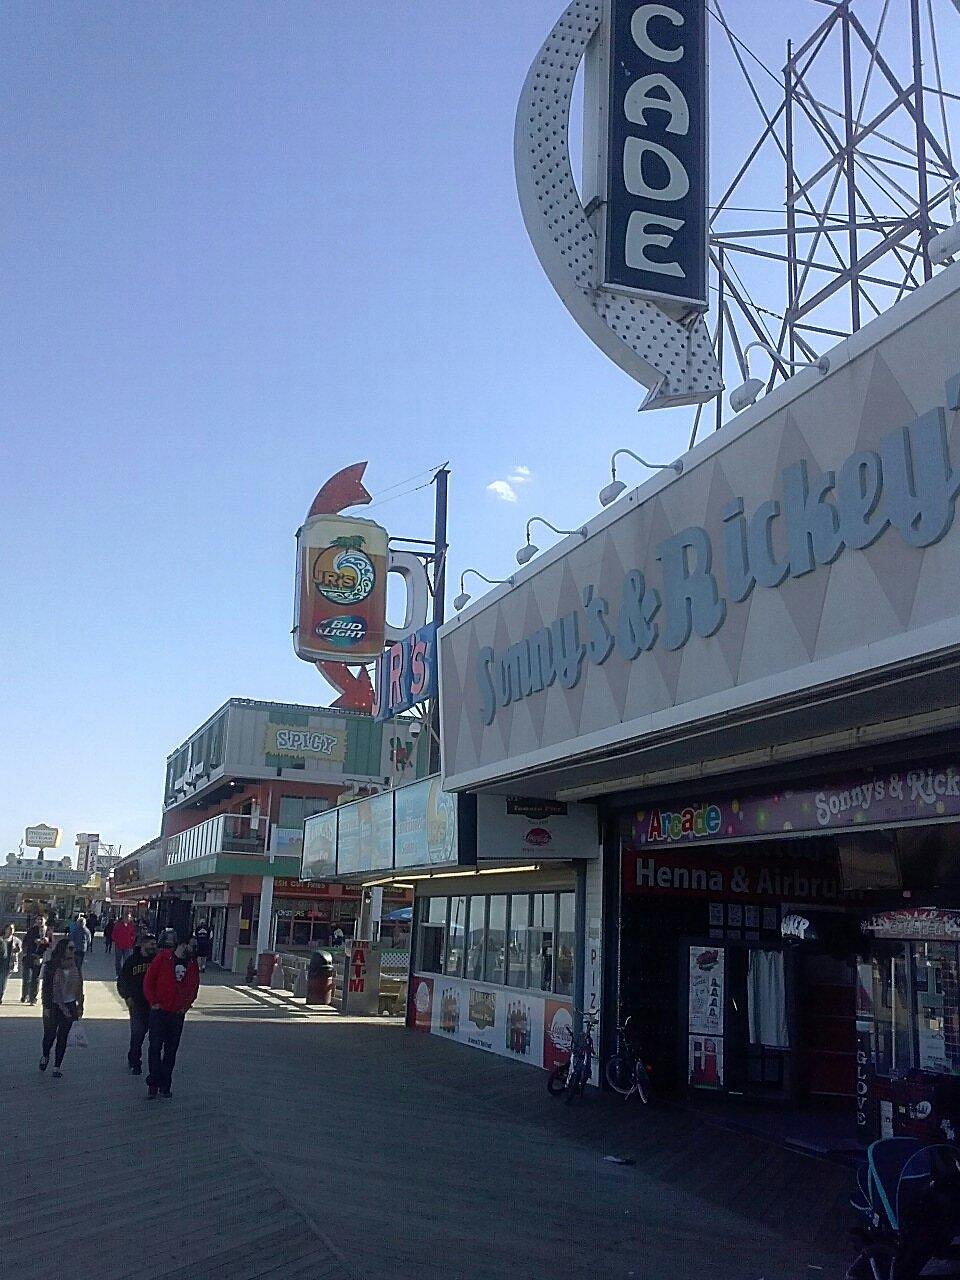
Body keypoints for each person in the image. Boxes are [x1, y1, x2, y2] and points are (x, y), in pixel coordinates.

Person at [143, 932, 200, 1100]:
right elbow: (149, 981)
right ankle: (153, 1083)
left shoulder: (192, 963)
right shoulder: (163, 958)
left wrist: (186, 1005)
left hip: (177, 1013)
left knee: (171, 1050)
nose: (194, 949)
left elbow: (194, 985)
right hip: (159, 1011)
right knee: (154, 1047)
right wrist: (153, 1002)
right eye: (192, 945)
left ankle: (165, 1084)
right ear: (182, 945)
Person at [40, 937, 84, 1077]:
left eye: (74, 948)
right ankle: (45, 1055)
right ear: (63, 949)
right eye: (70, 948)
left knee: (63, 1037)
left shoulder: (75, 964)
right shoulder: (51, 966)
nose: (73, 951)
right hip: (53, 1005)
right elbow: (46, 988)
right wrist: (46, 1006)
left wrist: (80, 1004)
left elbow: (80, 985)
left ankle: (57, 1067)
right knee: (49, 1035)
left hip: (70, 1004)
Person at [117, 933, 158, 1075]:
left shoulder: (157, 960)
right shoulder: (132, 961)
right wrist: (126, 996)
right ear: (142, 944)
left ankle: (153, 1064)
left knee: (153, 1034)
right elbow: (122, 980)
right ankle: (135, 1061)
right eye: (151, 943)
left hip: (154, 1004)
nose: (153, 946)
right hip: (137, 1003)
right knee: (137, 1033)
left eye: (154, 943)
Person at [21, 914, 52, 1005]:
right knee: (27, 977)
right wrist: (34, 941)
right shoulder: (32, 930)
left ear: (45, 920)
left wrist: (47, 941)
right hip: (29, 956)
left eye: (41, 920)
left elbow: (52, 944)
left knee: (36, 978)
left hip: (40, 957)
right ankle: (25, 994)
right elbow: (26, 941)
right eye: (38, 919)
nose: (39, 921)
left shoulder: (48, 931)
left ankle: (33, 998)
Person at [112, 913, 137, 978]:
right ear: (124, 918)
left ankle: (125, 973)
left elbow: (133, 934)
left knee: (127, 960)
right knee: (118, 960)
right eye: (127, 917)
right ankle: (118, 974)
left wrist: (132, 941)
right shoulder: (118, 925)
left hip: (128, 946)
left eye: (129, 917)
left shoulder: (131, 926)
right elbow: (114, 934)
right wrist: (116, 941)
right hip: (119, 946)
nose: (128, 919)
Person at [0, 923, 16, 1003]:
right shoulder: (1, 939)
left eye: (12, 929)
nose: (10, 930)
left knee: (2, 982)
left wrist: (17, 949)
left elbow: (20, 949)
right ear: (5, 929)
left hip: (7, 964)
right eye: (9, 928)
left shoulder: (15, 940)